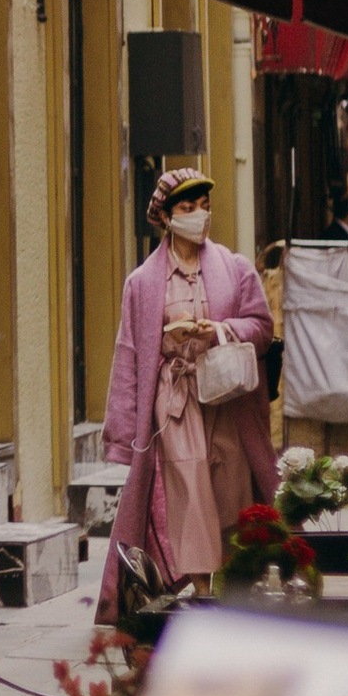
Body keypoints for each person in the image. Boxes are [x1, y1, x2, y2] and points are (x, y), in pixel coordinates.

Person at [102, 167, 279, 612]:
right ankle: (203, 592)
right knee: (190, 492)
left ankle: (236, 584)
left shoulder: (235, 269)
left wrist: (218, 328)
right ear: (164, 217)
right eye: (187, 208)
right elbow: (129, 355)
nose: (199, 216)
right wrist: (123, 436)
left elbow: (262, 327)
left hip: (227, 396)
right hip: (175, 401)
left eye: (204, 207)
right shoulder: (142, 283)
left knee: (232, 490)